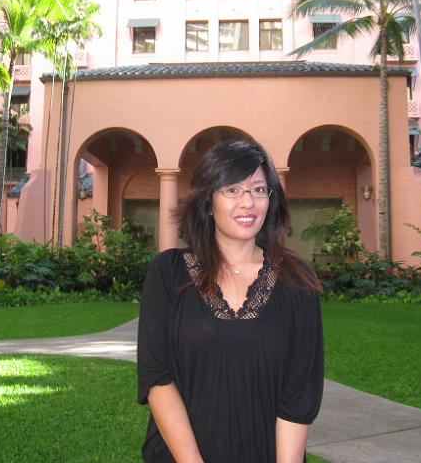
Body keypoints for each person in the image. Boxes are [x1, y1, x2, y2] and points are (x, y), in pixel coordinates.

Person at [137, 139, 324, 463]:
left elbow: (299, 394)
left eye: (259, 190)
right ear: (208, 202)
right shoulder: (167, 273)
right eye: (233, 190)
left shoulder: (297, 281)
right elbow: (157, 376)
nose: (248, 202)